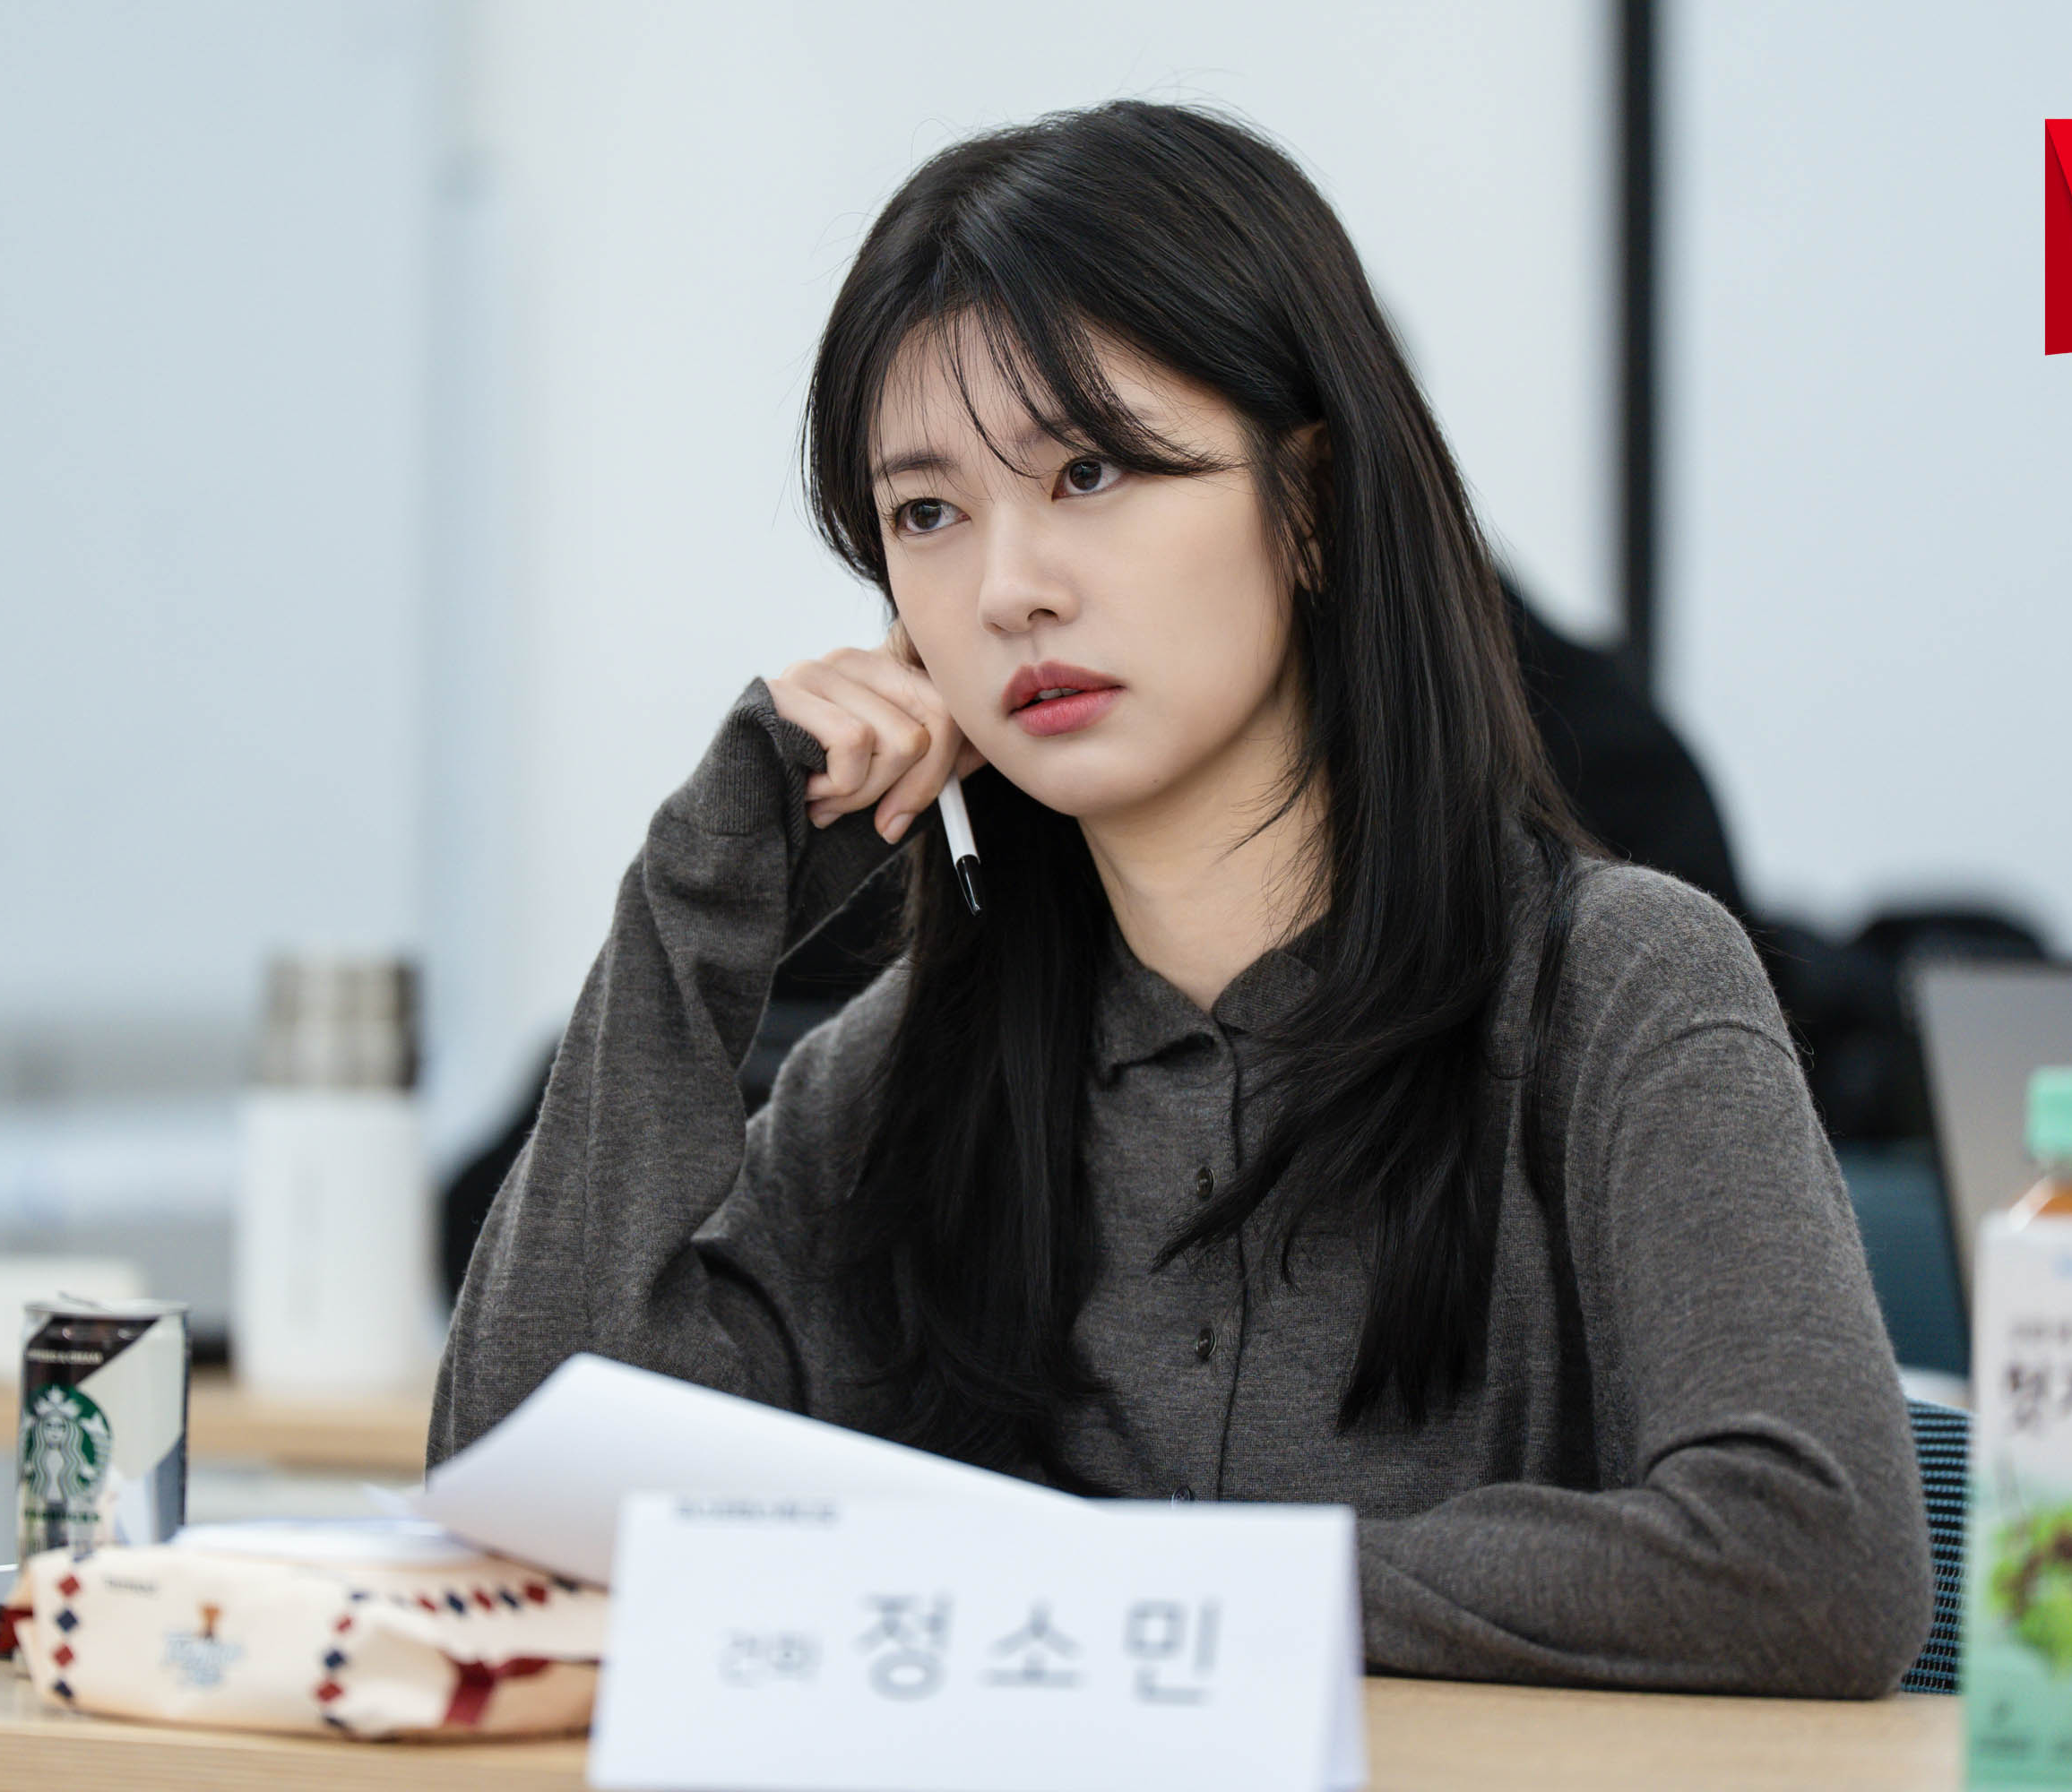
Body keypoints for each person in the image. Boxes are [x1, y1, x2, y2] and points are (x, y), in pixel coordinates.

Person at [431, 99, 1930, 1697]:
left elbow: (1812, 1561)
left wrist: (1129, 1592)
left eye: (1089, 471)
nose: (1009, 588)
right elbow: (525, 1484)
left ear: (1312, 505)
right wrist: (694, 912)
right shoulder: (901, 1072)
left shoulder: (1619, 987)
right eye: (927, 513)